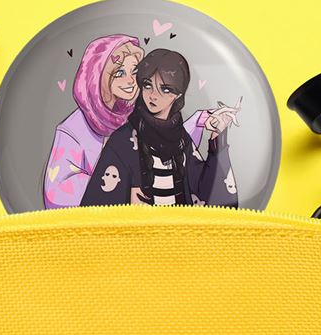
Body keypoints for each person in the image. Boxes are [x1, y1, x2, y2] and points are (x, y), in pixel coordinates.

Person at [43, 36, 231, 208]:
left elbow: (205, 186)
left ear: (178, 95)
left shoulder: (161, 128)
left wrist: (216, 137)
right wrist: (125, 195)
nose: (130, 81)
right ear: (97, 76)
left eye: (134, 71)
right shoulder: (86, 131)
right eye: (119, 73)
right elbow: (62, 193)